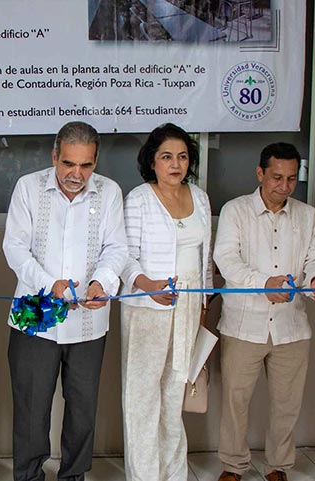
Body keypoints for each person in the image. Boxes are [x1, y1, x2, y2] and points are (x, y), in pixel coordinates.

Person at [3, 121, 128, 481]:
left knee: (82, 410)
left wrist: (101, 282)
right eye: (69, 164)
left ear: (96, 161)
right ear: (54, 155)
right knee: (30, 409)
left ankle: (73, 477)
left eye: (86, 165)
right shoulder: (28, 188)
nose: (77, 174)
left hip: (89, 324)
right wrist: (48, 284)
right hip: (34, 319)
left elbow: (116, 248)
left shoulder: (109, 192)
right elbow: (14, 247)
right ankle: (28, 476)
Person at [213, 142, 315, 481]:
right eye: (277, 177)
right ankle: (234, 466)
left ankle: (278, 466)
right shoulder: (235, 211)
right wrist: (263, 282)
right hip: (243, 325)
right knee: (235, 403)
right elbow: (226, 259)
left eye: (292, 179)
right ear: (260, 173)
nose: (284, 186)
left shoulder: (307, 215)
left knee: (287, 405)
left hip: (291, 327)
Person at [119, 123, 212, 481]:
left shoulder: (200, 198)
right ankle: (143, 475)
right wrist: (147, 286)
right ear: (152, 162)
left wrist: (203, 303)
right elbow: (126, 258)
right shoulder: (139, 199)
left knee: (175, 395)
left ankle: (174, 474)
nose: (176, 164)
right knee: (143, 398)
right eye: (167, 157)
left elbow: (205, 258)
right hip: (147, 307)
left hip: (189, 305)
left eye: (183, 156)